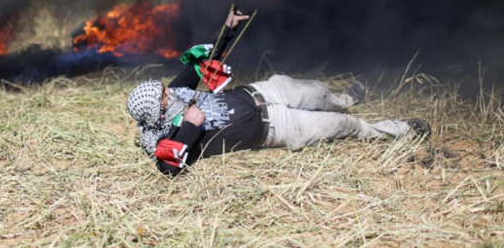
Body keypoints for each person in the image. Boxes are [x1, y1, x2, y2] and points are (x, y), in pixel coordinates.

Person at [126, 9, 431, 176]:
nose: (170, 93)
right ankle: (398, 130)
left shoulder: (178, 91)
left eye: (164, 89)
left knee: (321, 93)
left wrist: (228, 29)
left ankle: (345, 100)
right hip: (277, 128)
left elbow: (207, 62)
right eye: (164, 97)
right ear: (157, 113)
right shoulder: (164, 141)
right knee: (341, 127)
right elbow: (168, 167)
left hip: (267, 91)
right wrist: (192, 124)